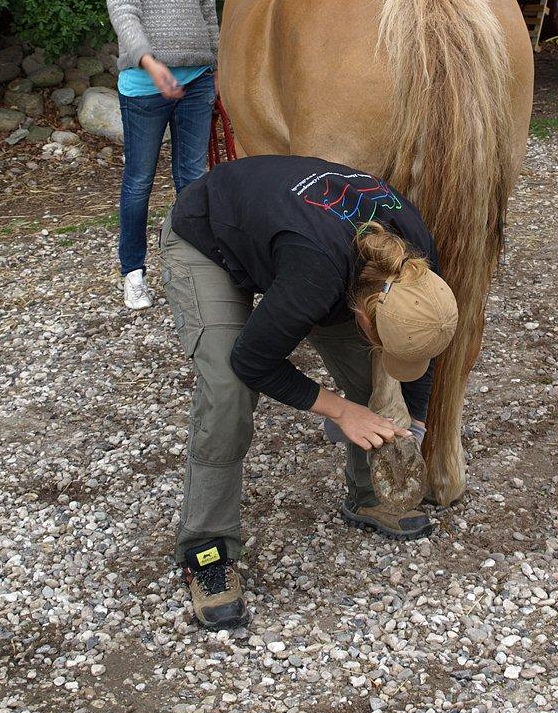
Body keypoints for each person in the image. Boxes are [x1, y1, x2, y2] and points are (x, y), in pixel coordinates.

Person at [161, 154, 459, 630]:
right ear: (363, 315)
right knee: (229, 393)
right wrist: (342, 412)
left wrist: (415, 423)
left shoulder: (417, 261)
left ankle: (367, 496)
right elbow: (254, 360)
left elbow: (422, 349)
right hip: (209, 236)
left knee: (370, 381)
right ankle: (206, 550)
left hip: (293, 239)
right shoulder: (316, 277)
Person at [100, 0, 219, 310]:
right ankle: (133, 270)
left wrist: (217, 65)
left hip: (197, 83)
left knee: (194, 178)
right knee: (139, 182)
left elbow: (208, 6)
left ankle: (197, 268)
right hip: (146, 85)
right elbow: (123, 10)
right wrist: (150, 63)